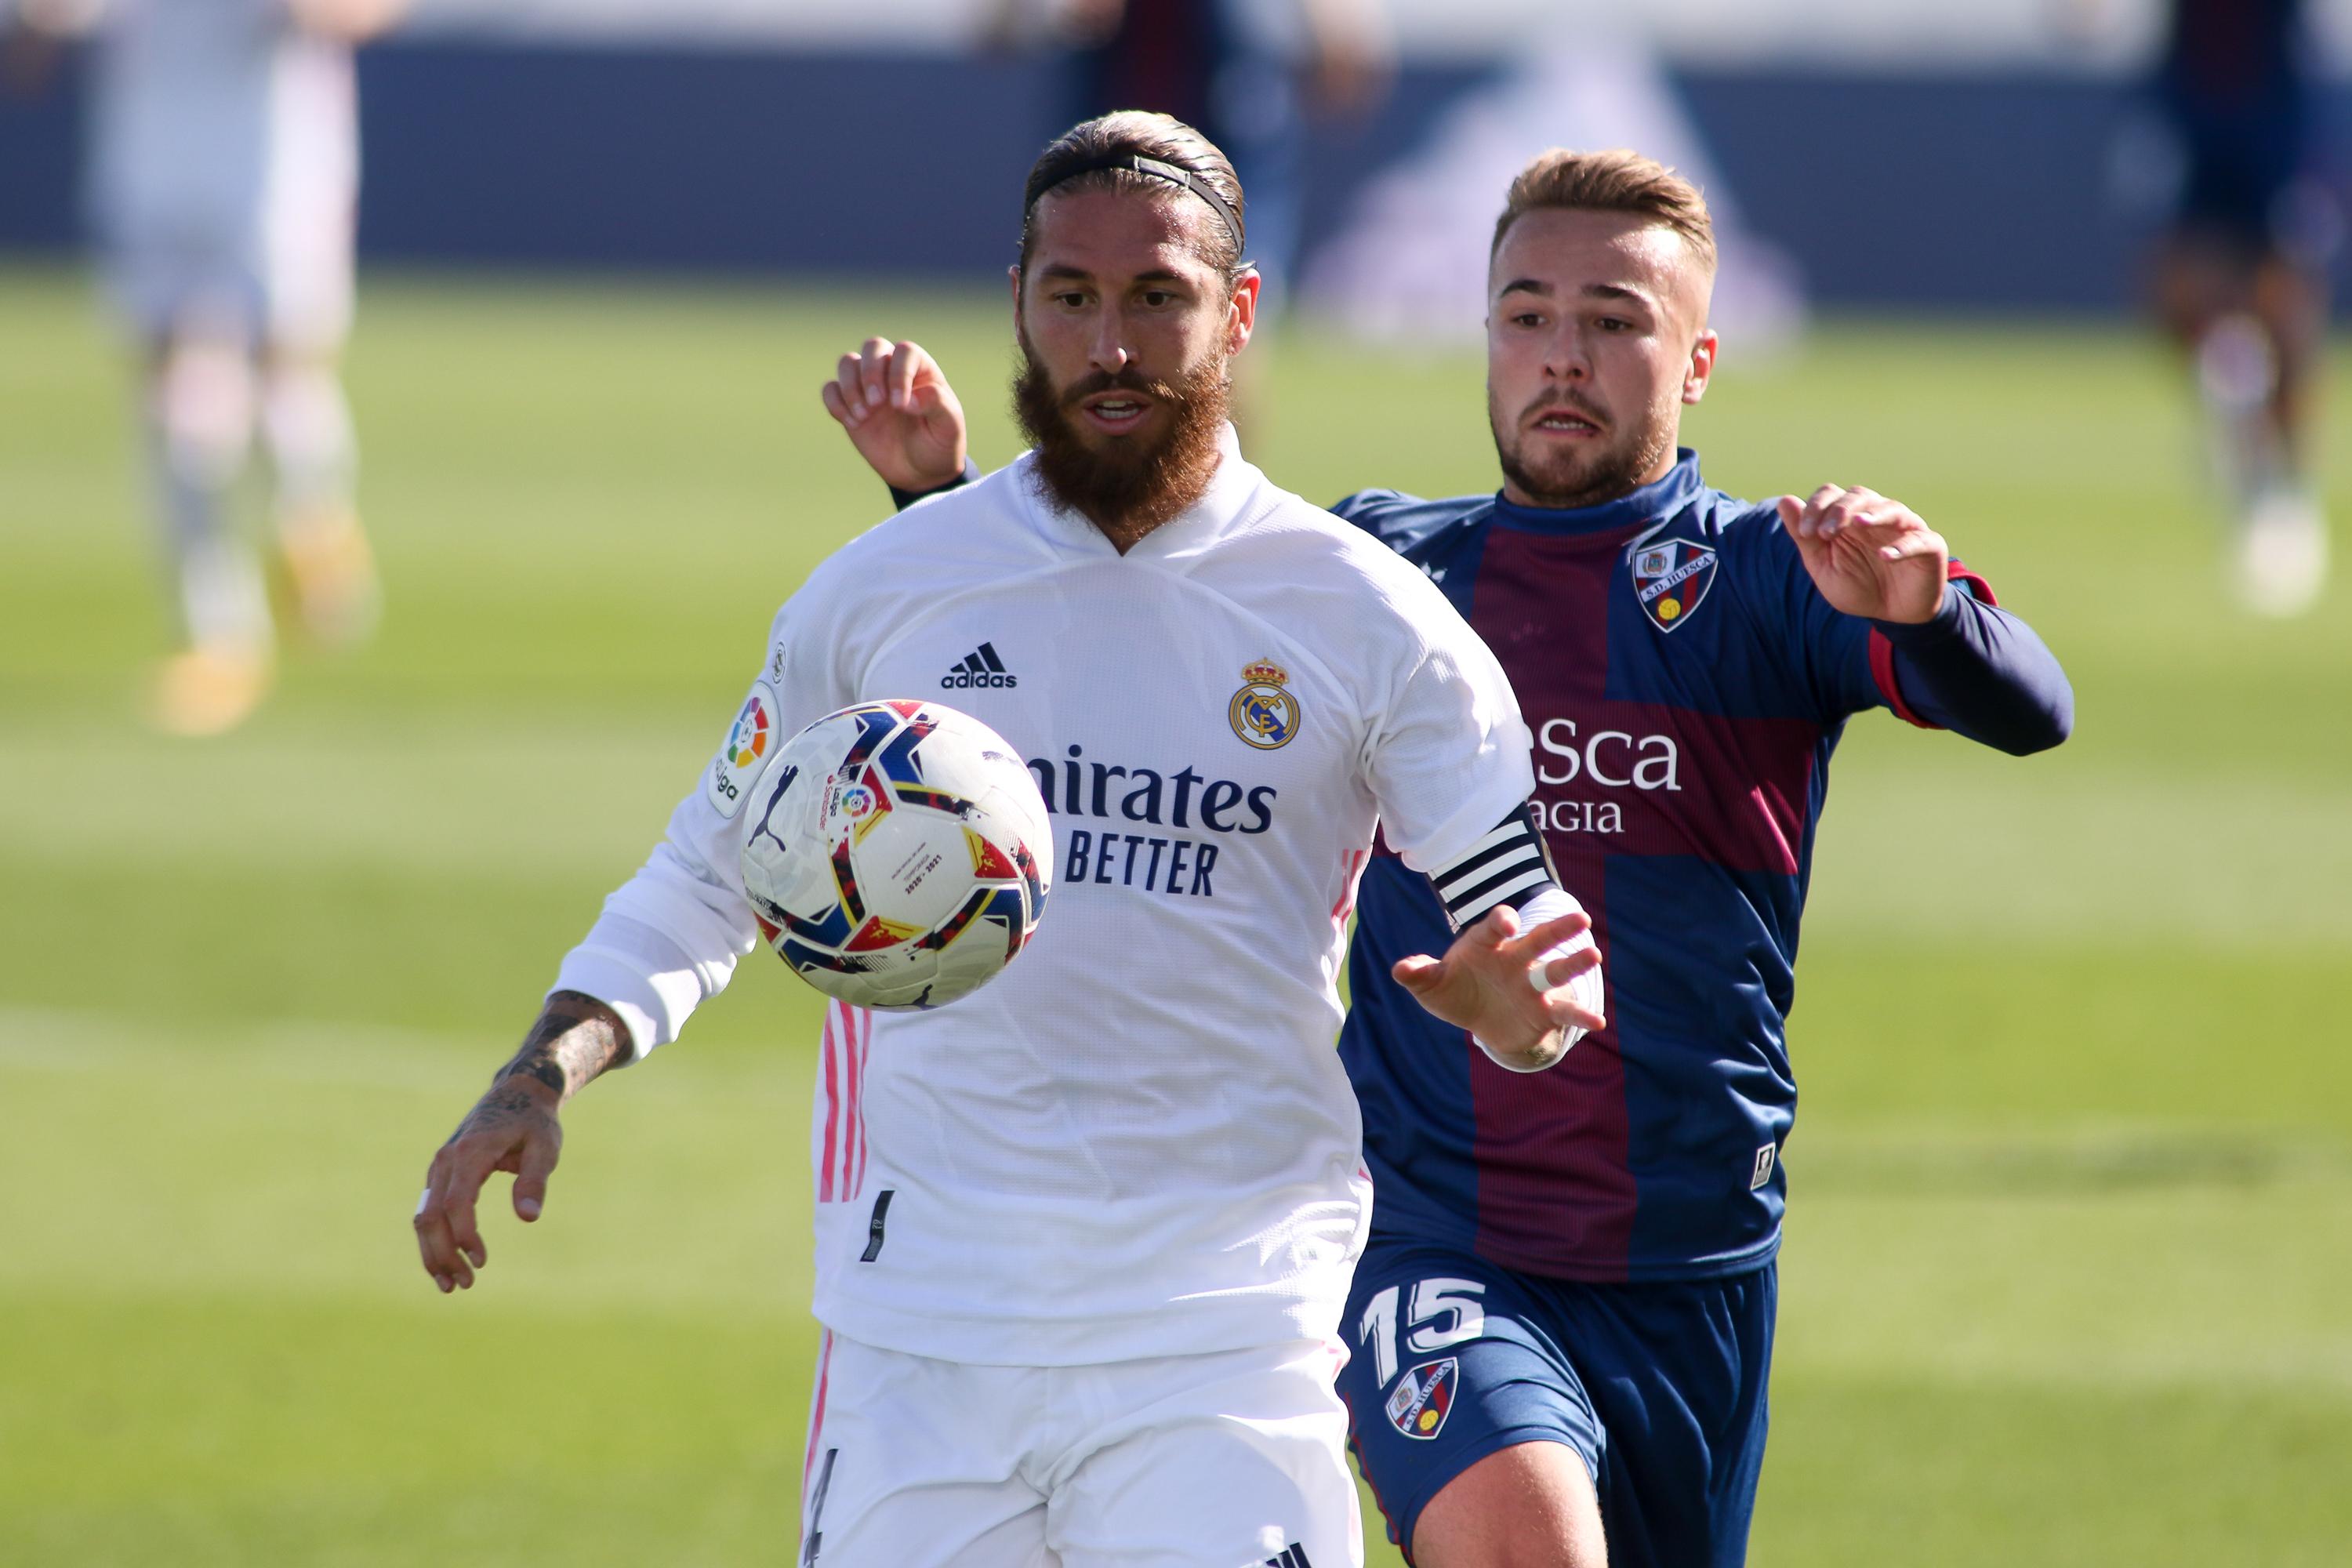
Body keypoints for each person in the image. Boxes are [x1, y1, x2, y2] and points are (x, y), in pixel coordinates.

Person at [844, 149, 2074, 1566]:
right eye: (1527, 315)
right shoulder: (1379, 576)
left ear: (1700, 357)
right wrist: (934, 501)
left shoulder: (1770, 579)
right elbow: (1106, 644)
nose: (1563, 357)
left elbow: (2031, 711)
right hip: (1434, 1239)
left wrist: (1927, 614)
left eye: (1613, 323)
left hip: (1694, 1257)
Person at [413, 111, 1610, 1568]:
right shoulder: (884, 591)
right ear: (1021, 303)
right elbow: (705, 875)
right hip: (924, 1335)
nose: (1111, 343)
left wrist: (1520, 1017)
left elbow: (1541, 957)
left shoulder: (1368, 620)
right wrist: (537, 1075)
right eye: (1070, 297)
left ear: (1236, 312)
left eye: (1157, 297)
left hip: (1221, 1337)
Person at [2, 0, 401, 735]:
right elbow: (31, 50)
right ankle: (217, 638)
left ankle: (311, 520)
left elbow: (364, 15)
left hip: (273, 165)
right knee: (167, 390)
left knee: (279, 371)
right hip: (151, 165)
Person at [2146, 0, 2333, 615]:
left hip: (2272, 96)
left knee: (2283, 299)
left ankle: (2287, 486)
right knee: (2181, 288)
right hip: (2189, 91)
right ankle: (2233, 409)